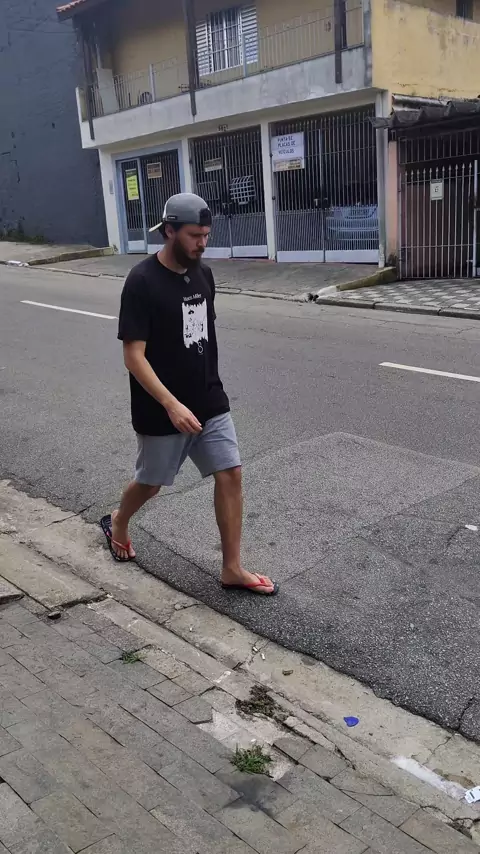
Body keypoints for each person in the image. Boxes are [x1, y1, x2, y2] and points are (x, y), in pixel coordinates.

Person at [100, 193, 278, 596]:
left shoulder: (203, 275)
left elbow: (201, 338)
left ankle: (232, 568)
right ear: (169, 231)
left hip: (208, 399)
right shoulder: (142, 281)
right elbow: (133, 356)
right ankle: (119, 520)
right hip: (161, 407)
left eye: (206, 235)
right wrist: (171, 404)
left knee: (230, 473)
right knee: (151, 484)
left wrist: (208, 387)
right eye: (194, 235)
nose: (202, 243)